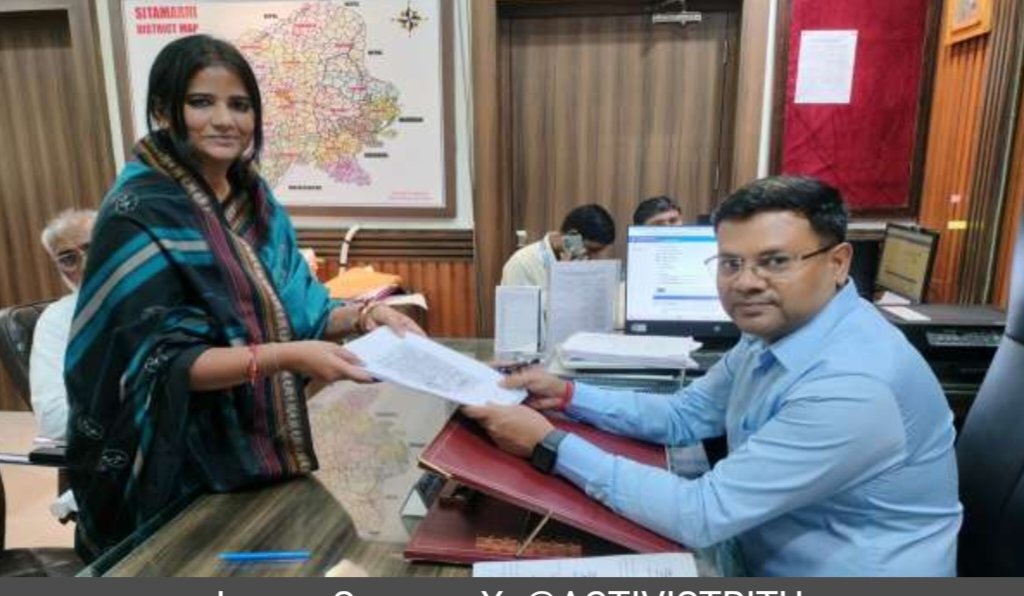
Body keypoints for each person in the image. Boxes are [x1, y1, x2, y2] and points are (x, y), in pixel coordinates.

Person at [465, 176, 961, 576]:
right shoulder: (777, 331)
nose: (746, 282)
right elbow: (685, 415)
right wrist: (567, 393)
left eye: (775, 262)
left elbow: (702, 513)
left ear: (837, 262)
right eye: (730, 263)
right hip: (752, 551)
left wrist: (548, 444)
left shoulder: (854, 385)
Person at [64, 35, 423, 559]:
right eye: (200, 102)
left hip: (255, 452)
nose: (224, 120)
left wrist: (368, 316)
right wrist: (289, 356)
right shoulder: (138, 211)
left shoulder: (254, 199)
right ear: (163, 110)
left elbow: (298, 310)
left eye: (240, 105)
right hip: (170, 466)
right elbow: (161, 364)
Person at [31, 209, 96, 441]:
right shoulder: (57, 320)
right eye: (69, 259)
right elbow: (54, 421)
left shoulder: (156, 297)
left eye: (94, 249)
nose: (85, 265)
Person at [500, 204, 616, 289]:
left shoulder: (581, 265)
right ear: (572, 236)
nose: (592, 259)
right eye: (590, 250)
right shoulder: (522, 264)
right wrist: (563, 277)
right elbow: (517, 313)